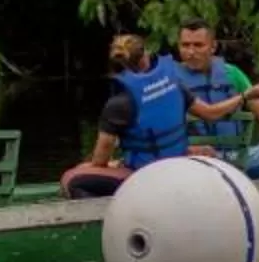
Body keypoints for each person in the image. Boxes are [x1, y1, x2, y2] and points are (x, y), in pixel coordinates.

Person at [166, 20, 259, 177]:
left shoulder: (231, 74)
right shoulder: (168, 81)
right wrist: (186, 150)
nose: (191, 52)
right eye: (185, 45)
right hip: (191, 160)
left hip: (234, 157)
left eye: (198, 45)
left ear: (213, 47)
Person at [61, 34, 193, 198]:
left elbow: (100, 160)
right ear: (144, 59)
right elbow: (206, 112)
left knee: (72, 179)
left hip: (147, 174)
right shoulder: (171, 86)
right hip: (175, 162)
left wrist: (89, 166)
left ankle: (108, 213)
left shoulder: (118, 104)